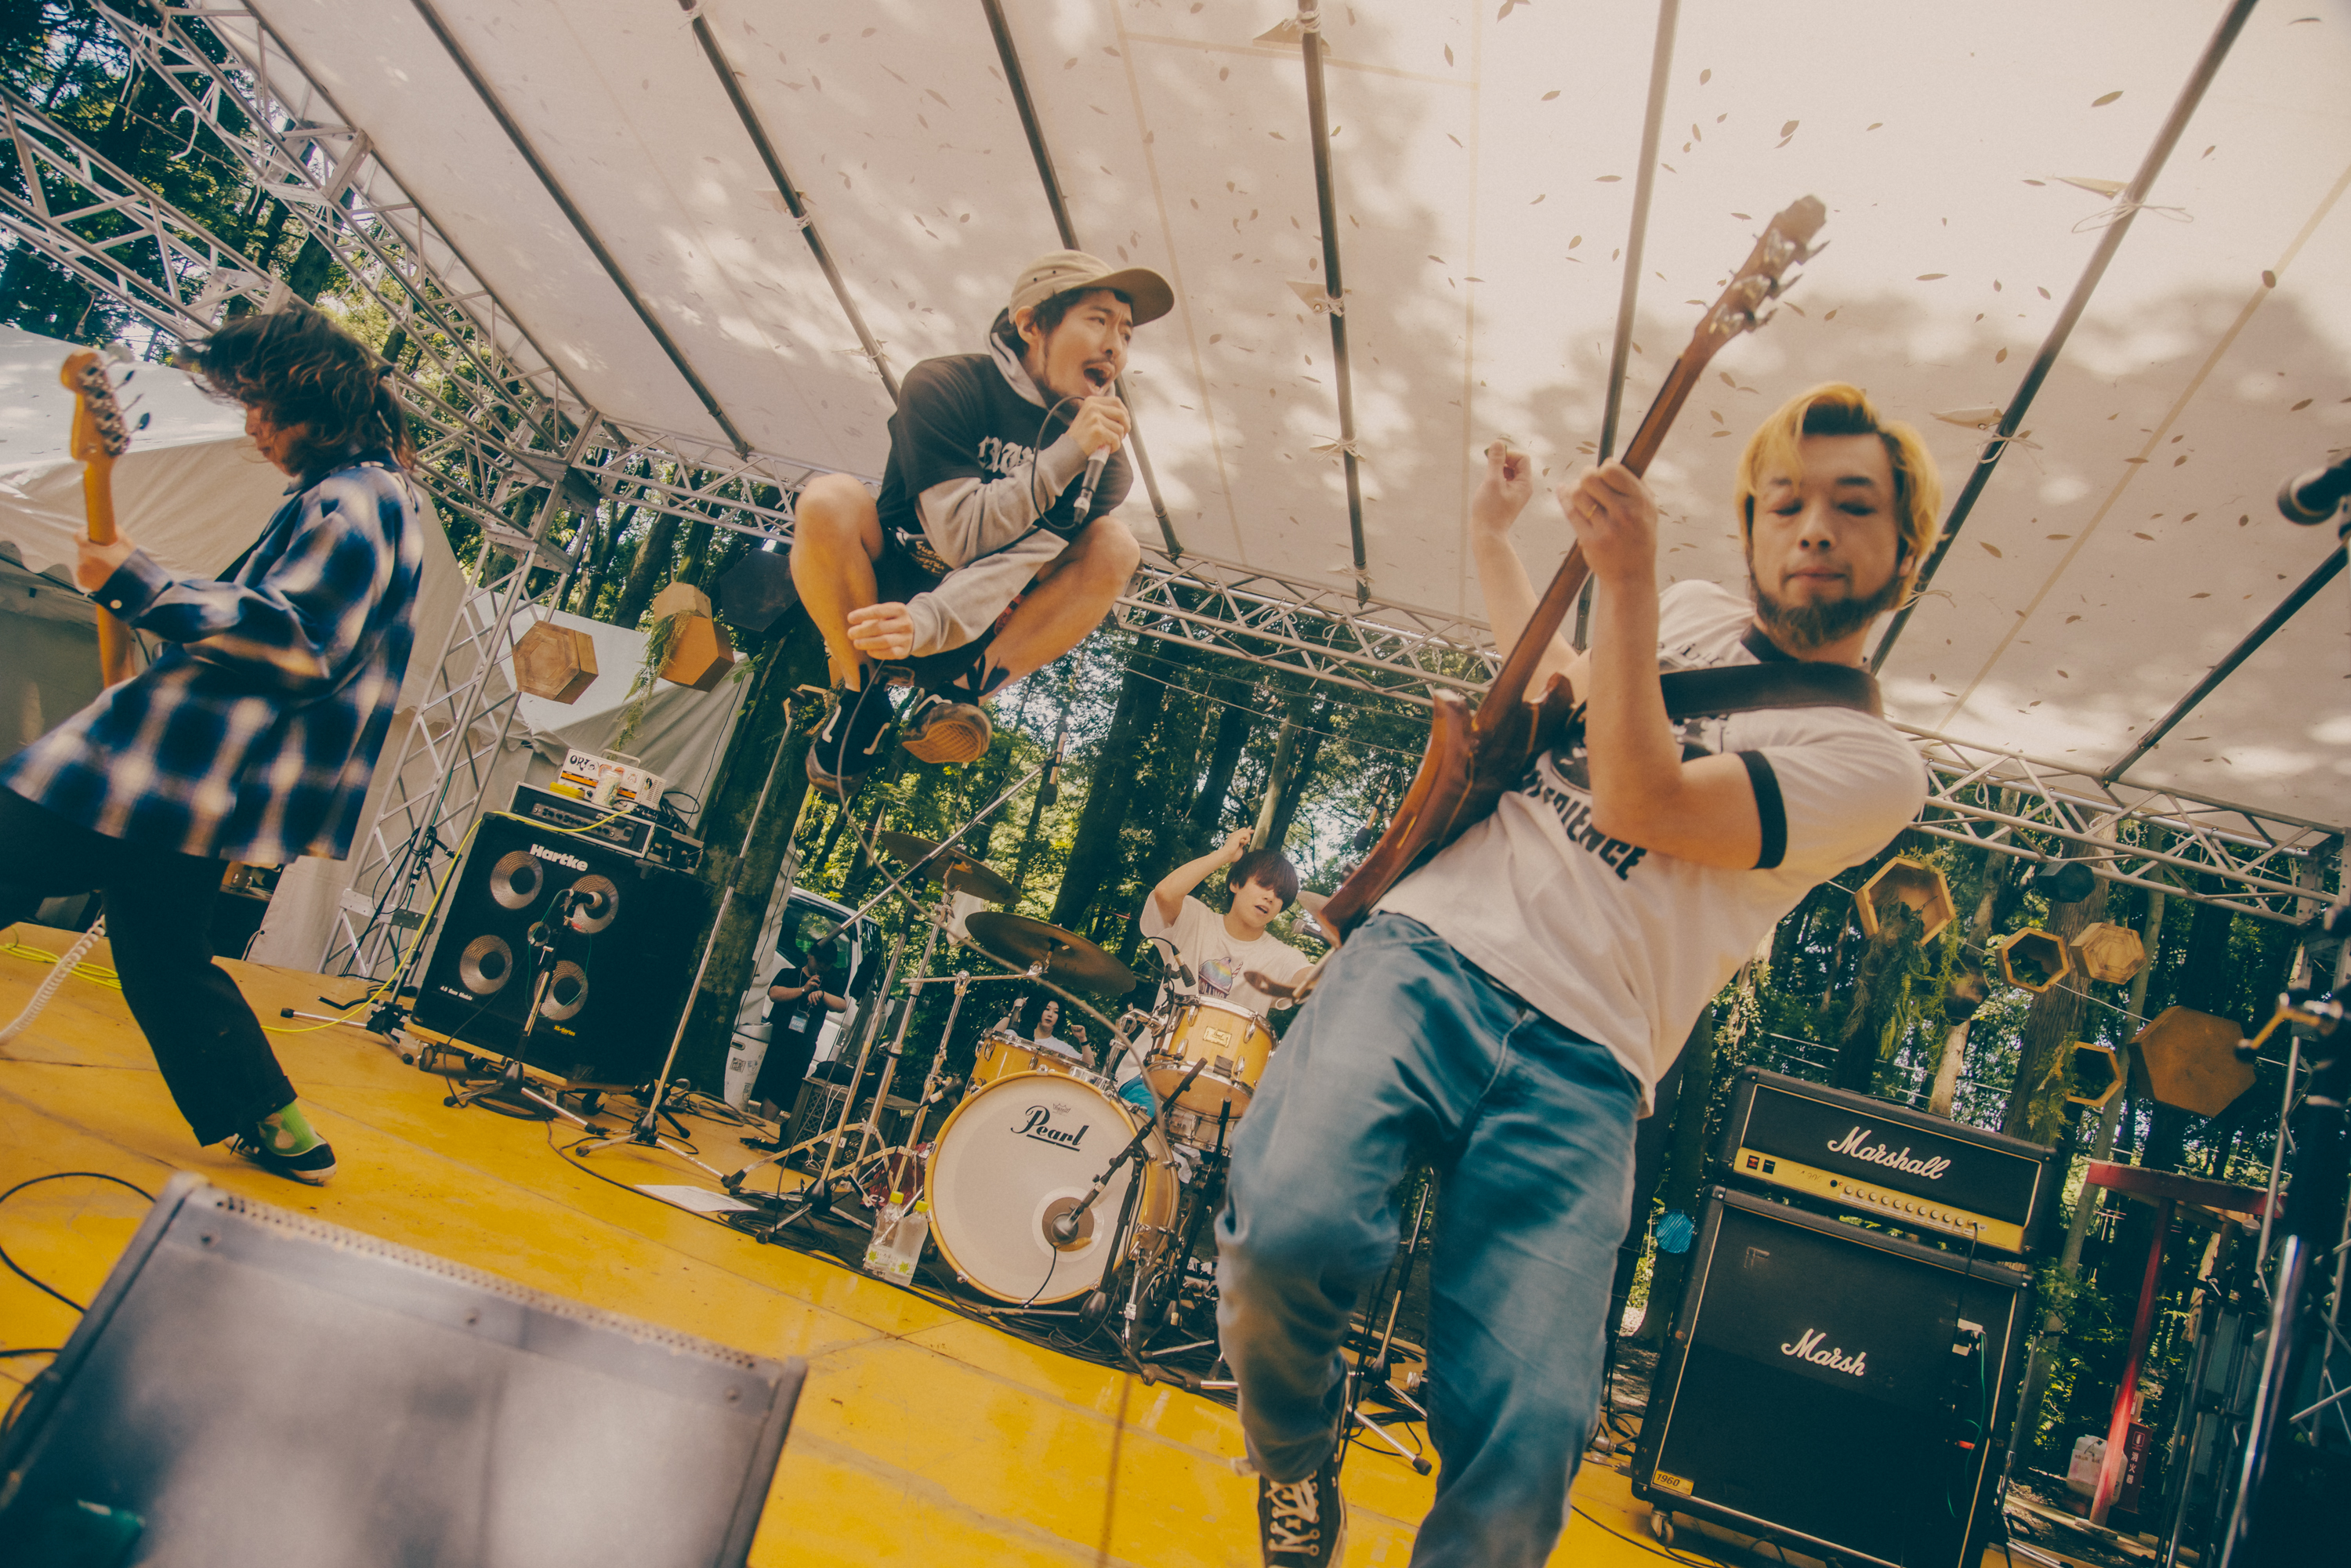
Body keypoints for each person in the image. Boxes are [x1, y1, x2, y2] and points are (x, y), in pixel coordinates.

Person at [1216, 384, 1939, 1567]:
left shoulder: (1874, 764)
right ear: (1751, 530)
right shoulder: (1687, 609)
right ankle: (1294, 1461)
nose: (1814, 527)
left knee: (1534, 1438)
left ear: (1908, 558)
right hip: (1431, 953)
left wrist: (1632, 580)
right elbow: (1563, 685)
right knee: (1285, 1232)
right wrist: (1496, 541)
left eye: (1854, 507)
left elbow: (1642, 798)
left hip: (1588, 1063)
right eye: (1786, 502)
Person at [0, 305, 426, 1187]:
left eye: (264, 406)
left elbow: (303, 640)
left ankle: (272, 1121)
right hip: (205, 783)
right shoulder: (358, 496)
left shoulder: (358, 498)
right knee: (165, 956)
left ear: (315, 403)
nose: (254, 426)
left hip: (170, 770)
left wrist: (142, 583)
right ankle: (279, 1126)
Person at [793, 251, 1171, 795]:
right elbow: (959, 539)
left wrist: (928, 623)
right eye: (1098, 321)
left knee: (1115, 545)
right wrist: (1067, 452)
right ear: (1031, 324)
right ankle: (860, 695)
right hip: (878, 594)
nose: (1115, 346)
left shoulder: (1106, 466)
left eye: (1127, 333)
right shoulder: (944, 384)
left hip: (985, 615)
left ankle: (958, 696)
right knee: (828, 499)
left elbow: (1010, 565)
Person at [1117, 830, 1316, 1114]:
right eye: (1263, 885)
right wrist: (1224, 855)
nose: (1271, 897)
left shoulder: (1283, 956)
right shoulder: (1194, 919)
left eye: (1280, 895)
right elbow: (1165, 893)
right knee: (1148, 1129)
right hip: (1150, 1073)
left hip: (1221, 1096)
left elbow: (1310, 982)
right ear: (1235, 883)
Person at [751, 939, 849, 1120]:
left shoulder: (831, 983)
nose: (822, 966)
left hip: (801, 1048)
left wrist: (822, 994)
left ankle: (764, 1124)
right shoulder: (789, 974)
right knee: (760, 1082)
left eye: (828, 963)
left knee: (781, 1092)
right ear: (809, 955)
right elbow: (774, 993)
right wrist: (804, 989)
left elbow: (842, 1005)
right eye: (819, 960)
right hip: (776, 1040)